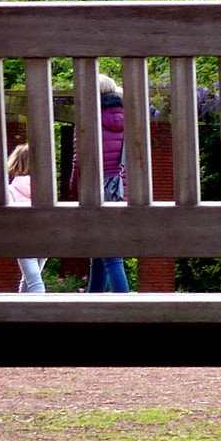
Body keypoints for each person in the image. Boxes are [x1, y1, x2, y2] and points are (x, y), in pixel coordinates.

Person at [85, 76, 132, 292]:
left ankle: (125, 309)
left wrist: (75, 189)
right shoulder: (131, 121)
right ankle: (92, 300)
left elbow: (79, 162)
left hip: (98, 192)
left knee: (112, 257)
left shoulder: (88, 122)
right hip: (124, 192)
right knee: (99, 253)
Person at [4, 144, 46, 293]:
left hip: (24, 240)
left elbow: (9, 220)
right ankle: (22, 315)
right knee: (29, 279)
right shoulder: (44, 191)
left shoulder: (11, 191)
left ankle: (41, 315)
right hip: (45, 238)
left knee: (34, 281)